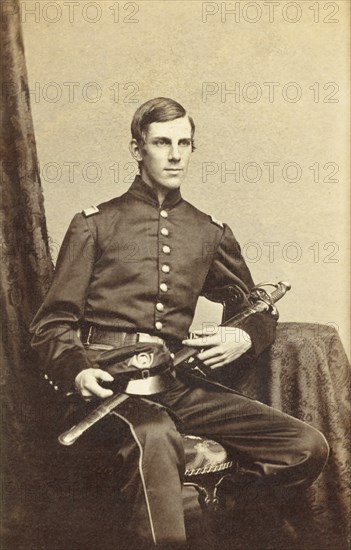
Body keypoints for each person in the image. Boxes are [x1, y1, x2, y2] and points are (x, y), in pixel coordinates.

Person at [30, 97, 329, 547]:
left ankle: (203, 511)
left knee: (304, 446)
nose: (174, 154)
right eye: (161, 142)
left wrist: (242, 336)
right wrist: (77, 368)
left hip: (174, 382)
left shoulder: (208, 232)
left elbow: (255, 306)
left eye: (184, 143)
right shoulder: (95, 224)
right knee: (154, 433)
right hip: (108, 383)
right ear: (137, 149)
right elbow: (51, 324)